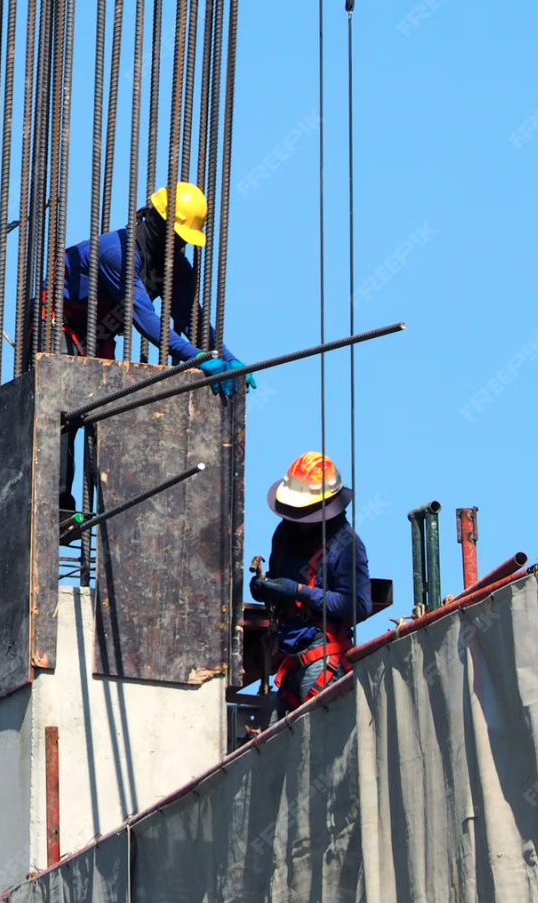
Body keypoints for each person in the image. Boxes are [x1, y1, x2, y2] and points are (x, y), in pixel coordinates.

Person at [54, 182, 253, 514]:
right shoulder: (117, 252)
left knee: (102, 411)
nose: (179, 247)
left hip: (97, 336)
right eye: (176, 237)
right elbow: (145, 319)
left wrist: (229, 359)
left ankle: (102, 507)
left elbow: (191, 321)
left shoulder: (177, 268)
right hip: (57, 321)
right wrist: (198, 358)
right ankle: (59, 504)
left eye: (185, 242)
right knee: (61, 410)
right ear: (157, 223)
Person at [249, 452, 371, 720]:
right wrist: (266, 586)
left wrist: (298, 591)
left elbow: (358, 605)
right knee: (271, 746)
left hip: (322, 659)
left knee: (318, 740)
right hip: (288, 659)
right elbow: (281, 582)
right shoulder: (284, 536)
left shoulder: (346, 545)